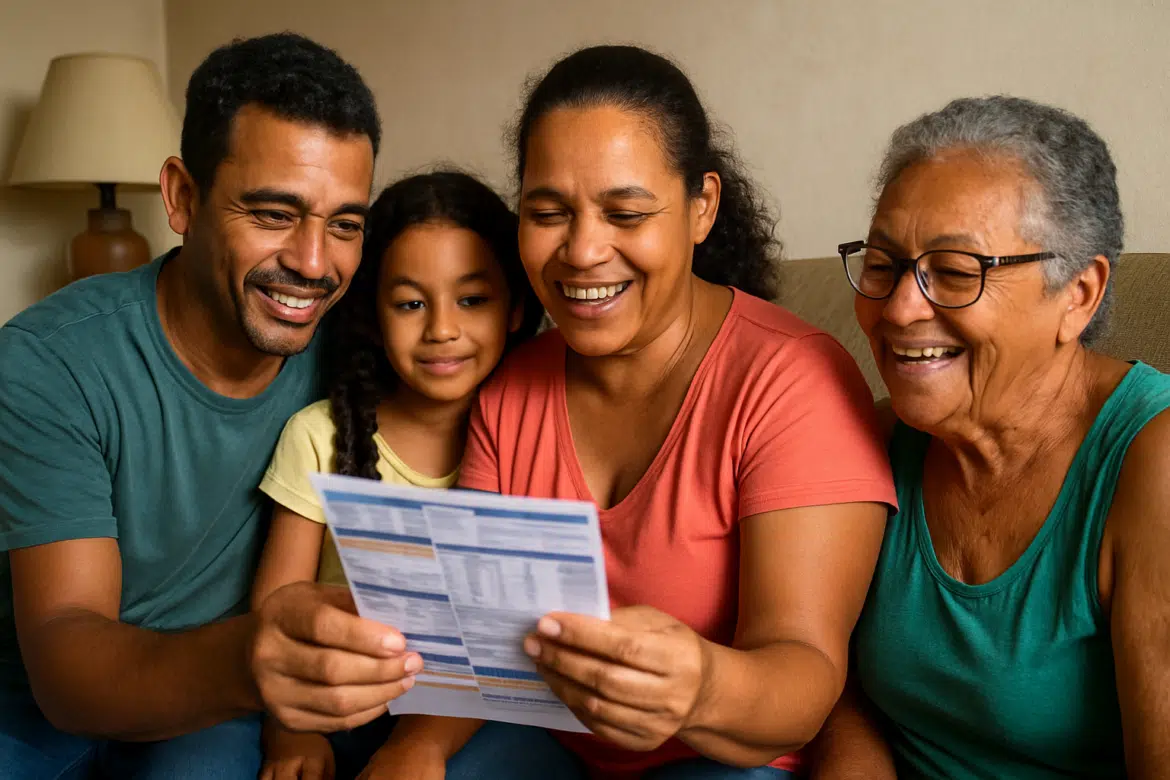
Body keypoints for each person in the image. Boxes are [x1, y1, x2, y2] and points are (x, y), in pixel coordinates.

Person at [370, 45, 898, 780]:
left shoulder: (791, 381)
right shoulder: (509, 386)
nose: (582, 251)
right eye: (548, 212)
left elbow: (804, 675)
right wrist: (415, 748)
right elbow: (478, 637)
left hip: (719, 757)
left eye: (625, 212)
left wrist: (701, 684)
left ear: (700, 207)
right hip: (549, 740)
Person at [0, 33, 415, 778]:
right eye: (273, 213)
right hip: (42, 714)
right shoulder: (47, 361)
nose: (314, 265)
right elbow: (66, 658)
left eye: (345, 224)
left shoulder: (359, 353)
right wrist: (256, 653)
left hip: (222, 719)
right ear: (182, 198)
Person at [808, 96, 1170, 780]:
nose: (900, 308)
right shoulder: (874, 442)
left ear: (1079, 295)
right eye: (883, 263)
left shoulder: (1152, 461)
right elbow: (836, 685)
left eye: (955, 271)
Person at [250, 170, 543, 780]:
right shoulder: (317, 435)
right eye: (411, 303)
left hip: (478, 717)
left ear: (515, 307)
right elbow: (275, 611)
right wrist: (289, 731)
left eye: (472, 299)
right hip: (340, 706)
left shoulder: (536, 438)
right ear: (374, 317)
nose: (441, 329)